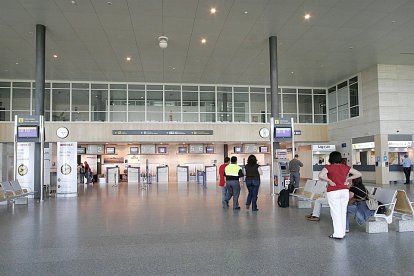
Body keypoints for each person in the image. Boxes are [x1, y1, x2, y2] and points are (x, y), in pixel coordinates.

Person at [318, 151, 361, 239]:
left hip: (333, 191)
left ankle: (338, 234)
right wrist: (348, 179)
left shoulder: (329, 167)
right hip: (344, 191)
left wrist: (329, 181)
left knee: (335, 213)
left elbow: (320, 175)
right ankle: (342, 232)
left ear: (331, 158)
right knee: (342, 212)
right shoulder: (345, 167)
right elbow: (359, 174)